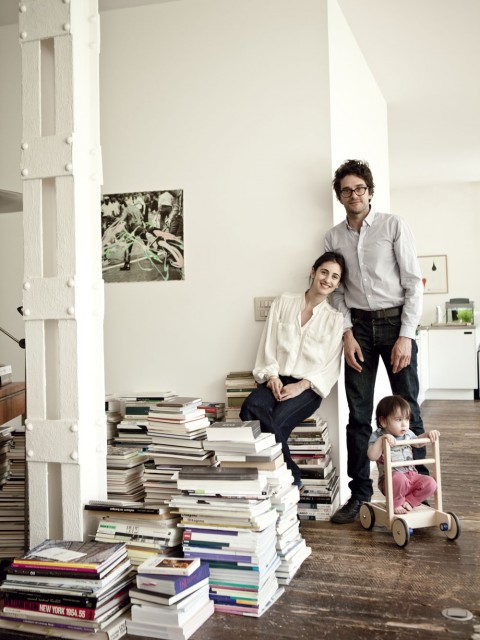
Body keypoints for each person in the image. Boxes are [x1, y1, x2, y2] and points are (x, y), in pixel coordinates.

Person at [325, 159, 425, 524]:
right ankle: (360, 496)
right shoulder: (333, 238)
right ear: (340, 196)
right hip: (359, 330)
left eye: (360, 189)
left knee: (408, 409)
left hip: (396, 323)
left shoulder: (393, 225)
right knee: (358, 416)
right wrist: (347, 333)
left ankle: (419, 487)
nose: (354, 195)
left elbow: (413, 283)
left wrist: (406, 336)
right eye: (347, 190)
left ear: (370, 192)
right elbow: (337, 293)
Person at [239, 252, 346, 488]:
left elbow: (331, 365)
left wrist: (301, 386)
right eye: (324, 272)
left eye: (335, 277)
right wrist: (272, 377)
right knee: (251, 407)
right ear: (313, 272)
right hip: (275, 378)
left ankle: (281, 481)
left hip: (308, 388)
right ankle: (291, 477)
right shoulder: (283, 302)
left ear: (338, 284)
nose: (328, 280)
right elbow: (268, 343)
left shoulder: (335, 319)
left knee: (276, 421)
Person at [368, 395, 439, 514]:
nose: (404, 424)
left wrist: (427, 435)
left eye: (407, 419)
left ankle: (409, 501)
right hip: (391, 481)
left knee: (431, 483)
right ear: (383, 421)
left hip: (411, 476)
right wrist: (381, 440)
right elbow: (372, 456)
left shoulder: (408, 433)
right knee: (399, 478)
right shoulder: (378, 436)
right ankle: (396, 503)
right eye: (399, 420)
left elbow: (418, 443)